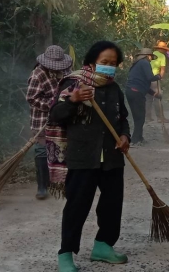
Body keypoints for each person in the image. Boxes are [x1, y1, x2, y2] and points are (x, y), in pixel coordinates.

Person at [49, 41, 131, 271]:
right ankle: (66, 254)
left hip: (112, 158)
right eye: (104, 62)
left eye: (113, 64)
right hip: (83, 156)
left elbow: (122, 118)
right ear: (91, 63)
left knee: (112, 204)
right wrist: (74, 100)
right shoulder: (74, 83)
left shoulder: (114, 89)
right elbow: (55, 115)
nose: (109, 67)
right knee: (77, 206)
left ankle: (103, 246)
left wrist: (125, 136)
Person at [25, 45, 72, 200]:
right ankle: (42, 186)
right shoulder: (37, 74)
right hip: (42, 119)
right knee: (42, 151)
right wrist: (51, 106)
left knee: (62, 149)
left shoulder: (66, 71)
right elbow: (32, 98)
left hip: (62, 117)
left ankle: (62, 182)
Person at [124, 48, 160, 145]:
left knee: (137, 116)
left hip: (130, 91)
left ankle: (139, 137)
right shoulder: (144, 63)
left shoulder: (136, 64)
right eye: (151, 57)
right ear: (148, 56)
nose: (151, 59)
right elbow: (150, 77)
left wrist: (154, 94)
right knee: (140, 117)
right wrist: (158, 76)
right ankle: (135, 140)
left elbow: (143, 83)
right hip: (137, 92)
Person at [147, 41, 169, 123]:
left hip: (146, 79)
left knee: (148, 98)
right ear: (163, 49)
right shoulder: (162, 56)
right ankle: (160, 118)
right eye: (165, 49)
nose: (165, 51)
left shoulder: (151, 54)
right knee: (157, 98)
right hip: (154, 79)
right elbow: (162, 69)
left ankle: (148, 118)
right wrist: (160, 77)